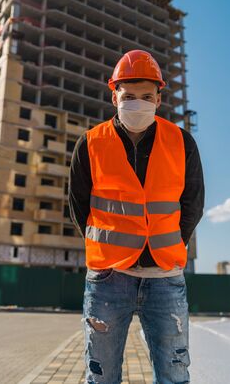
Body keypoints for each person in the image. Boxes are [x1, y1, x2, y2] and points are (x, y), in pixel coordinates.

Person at [69, 49, 204, 384]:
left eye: (146, 96)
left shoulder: (181, 141)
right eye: (128, 96)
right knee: (101, 376)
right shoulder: (90, 144)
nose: (137, 103)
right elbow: (78, 207)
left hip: (165, 278)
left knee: (174, 375)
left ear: (159, 98)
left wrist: (169, 243)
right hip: (107, 279)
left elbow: (193, 203)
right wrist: (109, 249)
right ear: (114, 95)